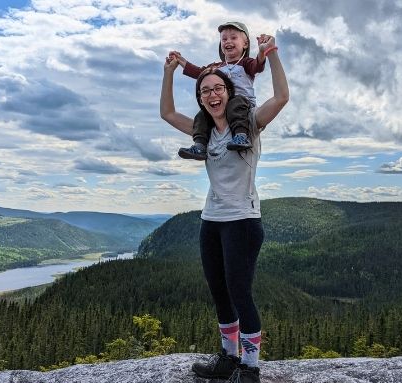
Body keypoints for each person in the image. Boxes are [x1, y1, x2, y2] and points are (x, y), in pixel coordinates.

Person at [160, 33, 288, 383]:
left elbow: (281, 97)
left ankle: (250, 366)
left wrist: (271, 53)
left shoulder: (249, 125)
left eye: (218, 89)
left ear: (229, 93)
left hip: (243, 221)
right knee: (219, 291)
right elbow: (167, 113)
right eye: (205, 91)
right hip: (211, 221)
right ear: (201, 99)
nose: (212, 95)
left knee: (240, 292)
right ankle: (228, 359)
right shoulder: (204, 131)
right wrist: (169, 71)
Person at [169, 21, 268, 160]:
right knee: (202, 115)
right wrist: (180, 60)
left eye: (233, 38)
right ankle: (200, 146)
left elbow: (258, 65)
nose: (228, 41)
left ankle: (241, 136)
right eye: (224, 39)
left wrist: (262, 51)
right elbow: (200, 73)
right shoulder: (217, 67)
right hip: (221, 105)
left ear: (245, 43)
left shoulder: (246, 63)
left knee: (236, 103)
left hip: (243, 106)